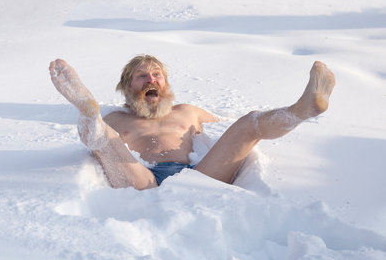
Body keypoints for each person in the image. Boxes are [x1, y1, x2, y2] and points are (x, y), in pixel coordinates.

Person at [49, 55, 335, 190]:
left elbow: (227, 131)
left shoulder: (188, 111)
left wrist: (245, 132)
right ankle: (85, 110)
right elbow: (98, 148)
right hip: (144, 179)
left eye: (157, 75)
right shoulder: (116, 118)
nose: (151, 79)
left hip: (199, 176)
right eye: (142, 76)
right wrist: (95, 120)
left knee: (249, 124)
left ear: (166, 83)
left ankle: (301, 110)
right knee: (103, 138)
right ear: (127, 87)